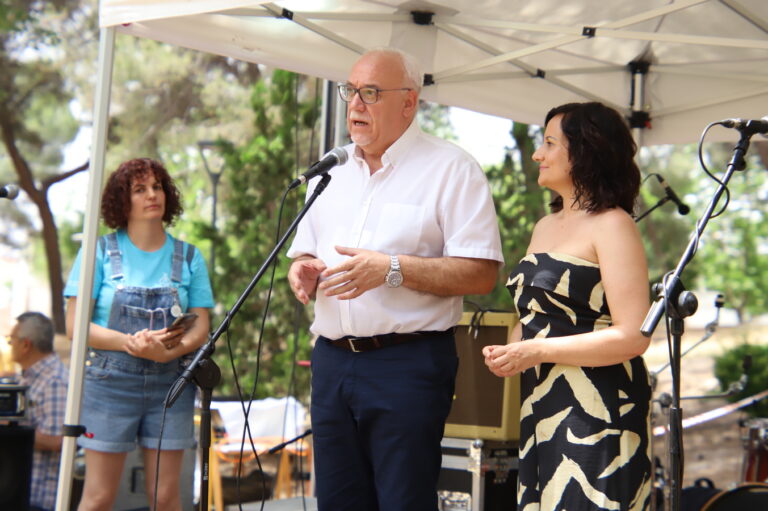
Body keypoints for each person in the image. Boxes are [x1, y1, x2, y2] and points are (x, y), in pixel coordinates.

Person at [286, 47, 504, 511]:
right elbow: (304, 249)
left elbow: (482, 272)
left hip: (406, 364)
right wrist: (300, 267)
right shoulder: (330, 171)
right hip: (331, 362)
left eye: (370, 93)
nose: (355, 105)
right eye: (350, 91)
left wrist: (391, 269)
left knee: (403, 502)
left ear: (409, 101)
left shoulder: (451, 168)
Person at [483, 102, 652, 510]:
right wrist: (513, 349)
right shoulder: (544, 226)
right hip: (541, 403)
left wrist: (537, 350)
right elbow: (536, 315)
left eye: (549, 143)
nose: (537, 154)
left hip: (598, 408)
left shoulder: (613, 224)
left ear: (585, 151)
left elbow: (634, 335)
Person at [64, 158, 214, 511]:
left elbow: (202, 326)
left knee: (165, 498)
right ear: (122, 200)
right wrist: (129, 343)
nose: (152, 195)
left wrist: (167, 353)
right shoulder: (97, 251)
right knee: (99, 497)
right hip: (109, 383)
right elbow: (75, 326)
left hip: (172, 384)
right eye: (140, 189)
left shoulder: (190, 256)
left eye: (157, 187)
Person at [6, 312, 68, 511]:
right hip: (19, 490)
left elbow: (58, 441)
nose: (9, 345)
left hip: (39, 498)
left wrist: (10, 431)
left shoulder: (55, 381)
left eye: (11, 340)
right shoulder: (30, 376)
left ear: (26, 344)